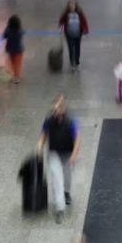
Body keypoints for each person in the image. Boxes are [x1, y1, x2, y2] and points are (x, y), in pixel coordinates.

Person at [37, 95, 81, 223]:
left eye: (57, 110)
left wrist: (74, 155)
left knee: (67, 176)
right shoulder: (49, 119)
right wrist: (39, 146)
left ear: (62, 109)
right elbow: (43, 134)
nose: (54, 112)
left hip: (67, 152)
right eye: (53, 110)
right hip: (54, 152)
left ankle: (66, 193)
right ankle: (60, 208)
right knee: (57, 178)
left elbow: (77, 139)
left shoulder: (71, 120)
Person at [58, 0, 89, 71]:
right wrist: (61, 27)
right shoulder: (66, 13)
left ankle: (77, 62)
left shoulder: (80, 13)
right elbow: (61, 21)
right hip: (69, 34)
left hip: (78, 34)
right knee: (71, 49)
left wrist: (86, 30)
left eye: (73, 5)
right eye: (70, 5)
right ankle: (72, 63)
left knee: (77, 48)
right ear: (68, 6)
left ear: (76, 5)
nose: (72, 6)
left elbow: (84, 21)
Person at [2, 14, 25, 84]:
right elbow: (22, 34)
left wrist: (7, 27)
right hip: (19, 49)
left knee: (12, 63)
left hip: (10, 49)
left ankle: (12, 76)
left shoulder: (8, 30)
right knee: (17, 64)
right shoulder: (19, 30)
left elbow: (4, 36)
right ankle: (17, 78)